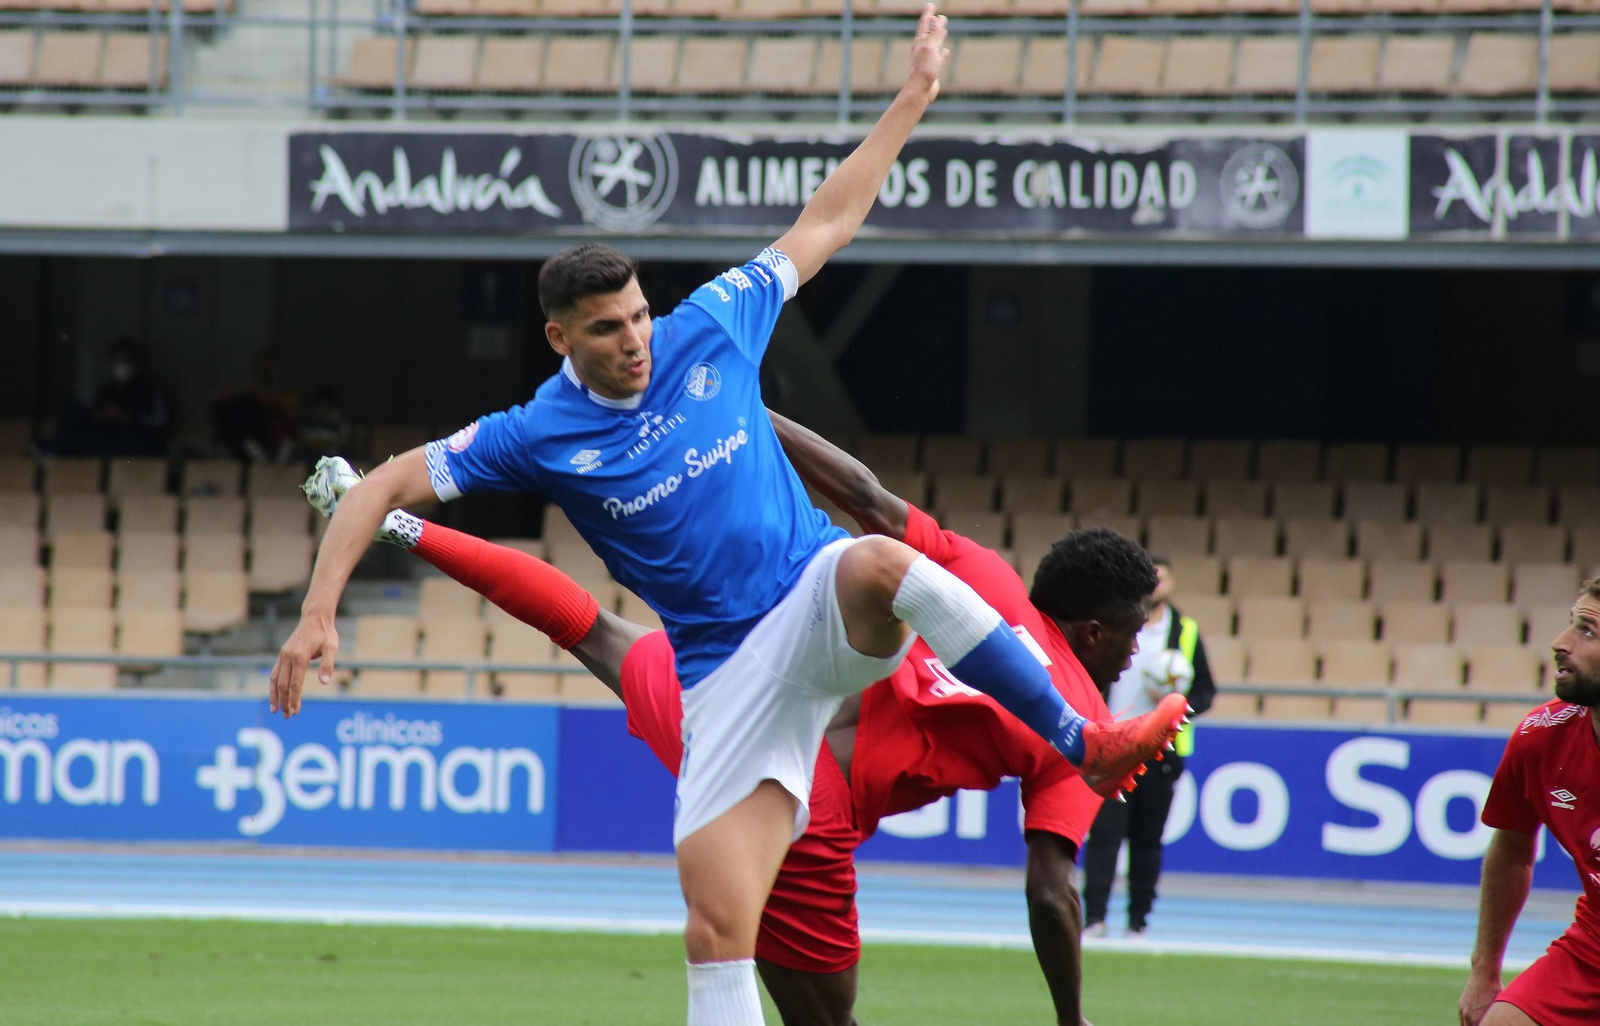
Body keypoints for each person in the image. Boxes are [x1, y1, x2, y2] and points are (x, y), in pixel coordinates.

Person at [270, 9, 1187, 1022]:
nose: (634, 341)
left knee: (879, 561)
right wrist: (318, 611)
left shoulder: (711, 322)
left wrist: (912, 101)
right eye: (607, 329)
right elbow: (377, 485)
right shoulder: (533, 431)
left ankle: (1075, 734)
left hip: (811, 605)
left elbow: (825, 220)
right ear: (558, 337)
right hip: (724, 683)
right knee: (715, 936)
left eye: (636, 316)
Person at [300, 412, 1160, 1026]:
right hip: (802, 801)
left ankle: (401, 525)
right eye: (1132, 630)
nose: (1137, 648)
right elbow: (1051, 892)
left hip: (734, 691)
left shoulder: (986, 573)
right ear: (1090, 629)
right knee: (824, 1018)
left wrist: (733, 407)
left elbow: (858, 486)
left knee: (595, 631)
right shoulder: (1078, 712)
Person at [1458, 578, 1600, 1026]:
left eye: (1588, 631)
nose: (1560, 644)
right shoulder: (1540, 738)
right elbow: (1511, 847)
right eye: (1570, 625)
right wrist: (1485, 970)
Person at [1081, 552, 1215, 938]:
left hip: (1162, 755)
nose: (1157, 585)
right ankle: (1095, 919)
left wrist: (1177, 715)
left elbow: (1206, 690)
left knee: (1147, 840)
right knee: (1104, 836)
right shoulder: (1115, 624)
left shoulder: (1185, 632)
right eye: (1151, 578)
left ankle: (1138, 921)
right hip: (1112, 747)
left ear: (1172, 585)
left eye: (1163, 578)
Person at [48, 338, 169, 457]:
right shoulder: (106, 392)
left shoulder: (149, 390)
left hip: (135, 447)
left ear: (135, 362)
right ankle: (53, 454)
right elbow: (92, 417)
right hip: (103, 444)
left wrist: (123, 416)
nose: (121, 365)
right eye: (117, 360)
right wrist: (102, 415)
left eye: (125, 360)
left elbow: (157, 425)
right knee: (70, 407)